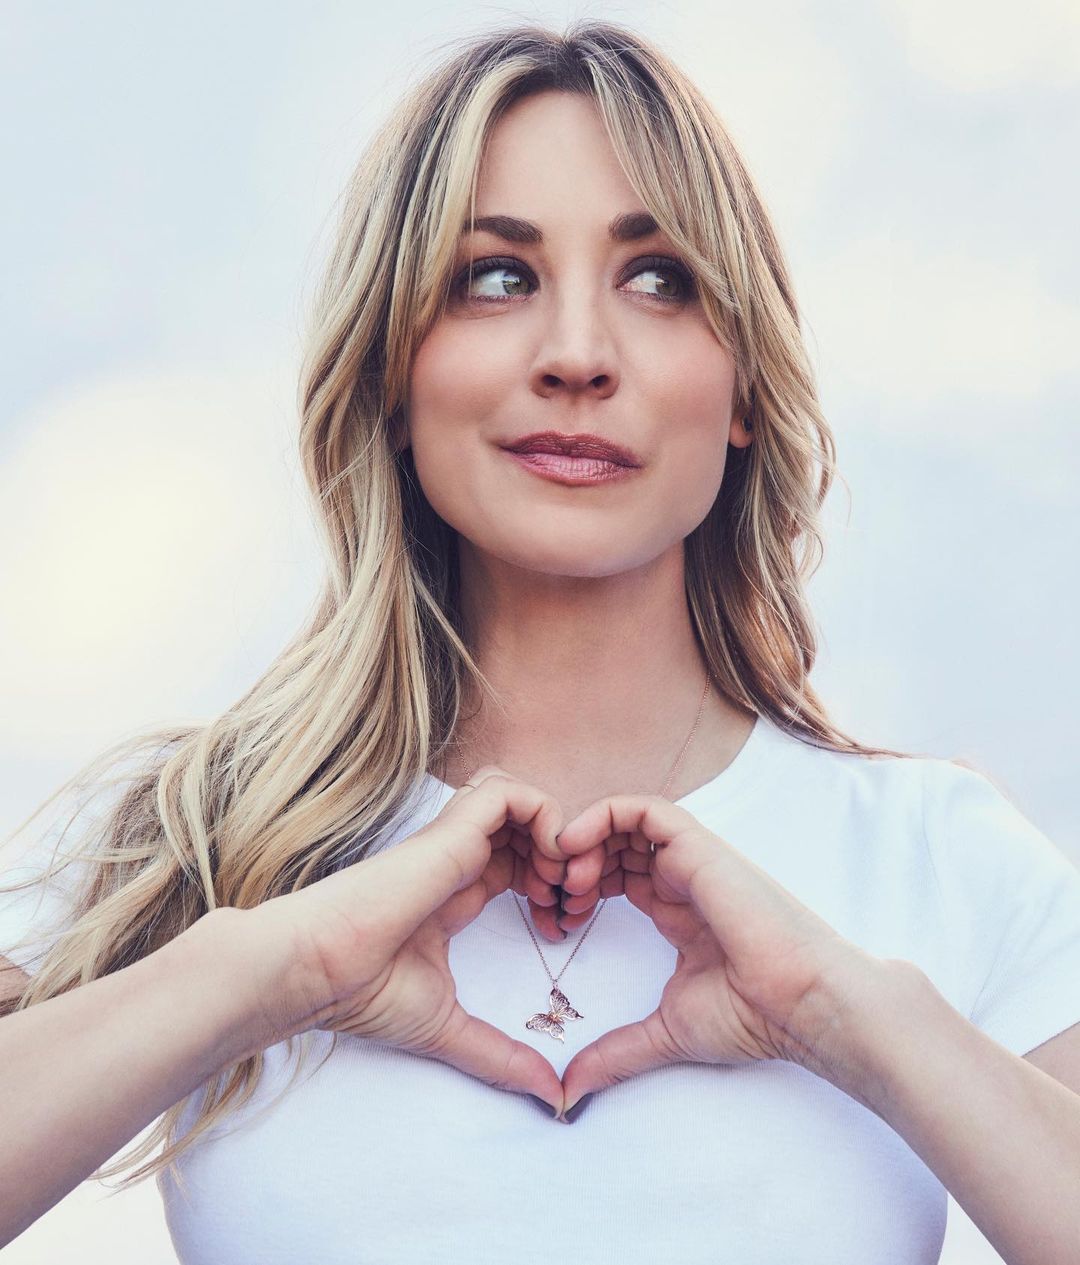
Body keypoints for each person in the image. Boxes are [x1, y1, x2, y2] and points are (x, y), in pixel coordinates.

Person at [2, 19, 1080, 1265]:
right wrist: (267, 967)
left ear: (742, 390)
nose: (577, 355)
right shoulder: (191, 834)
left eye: (660, 277)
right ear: (394, 372)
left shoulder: (938, 861)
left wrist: (851, 1016)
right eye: (498, 278)